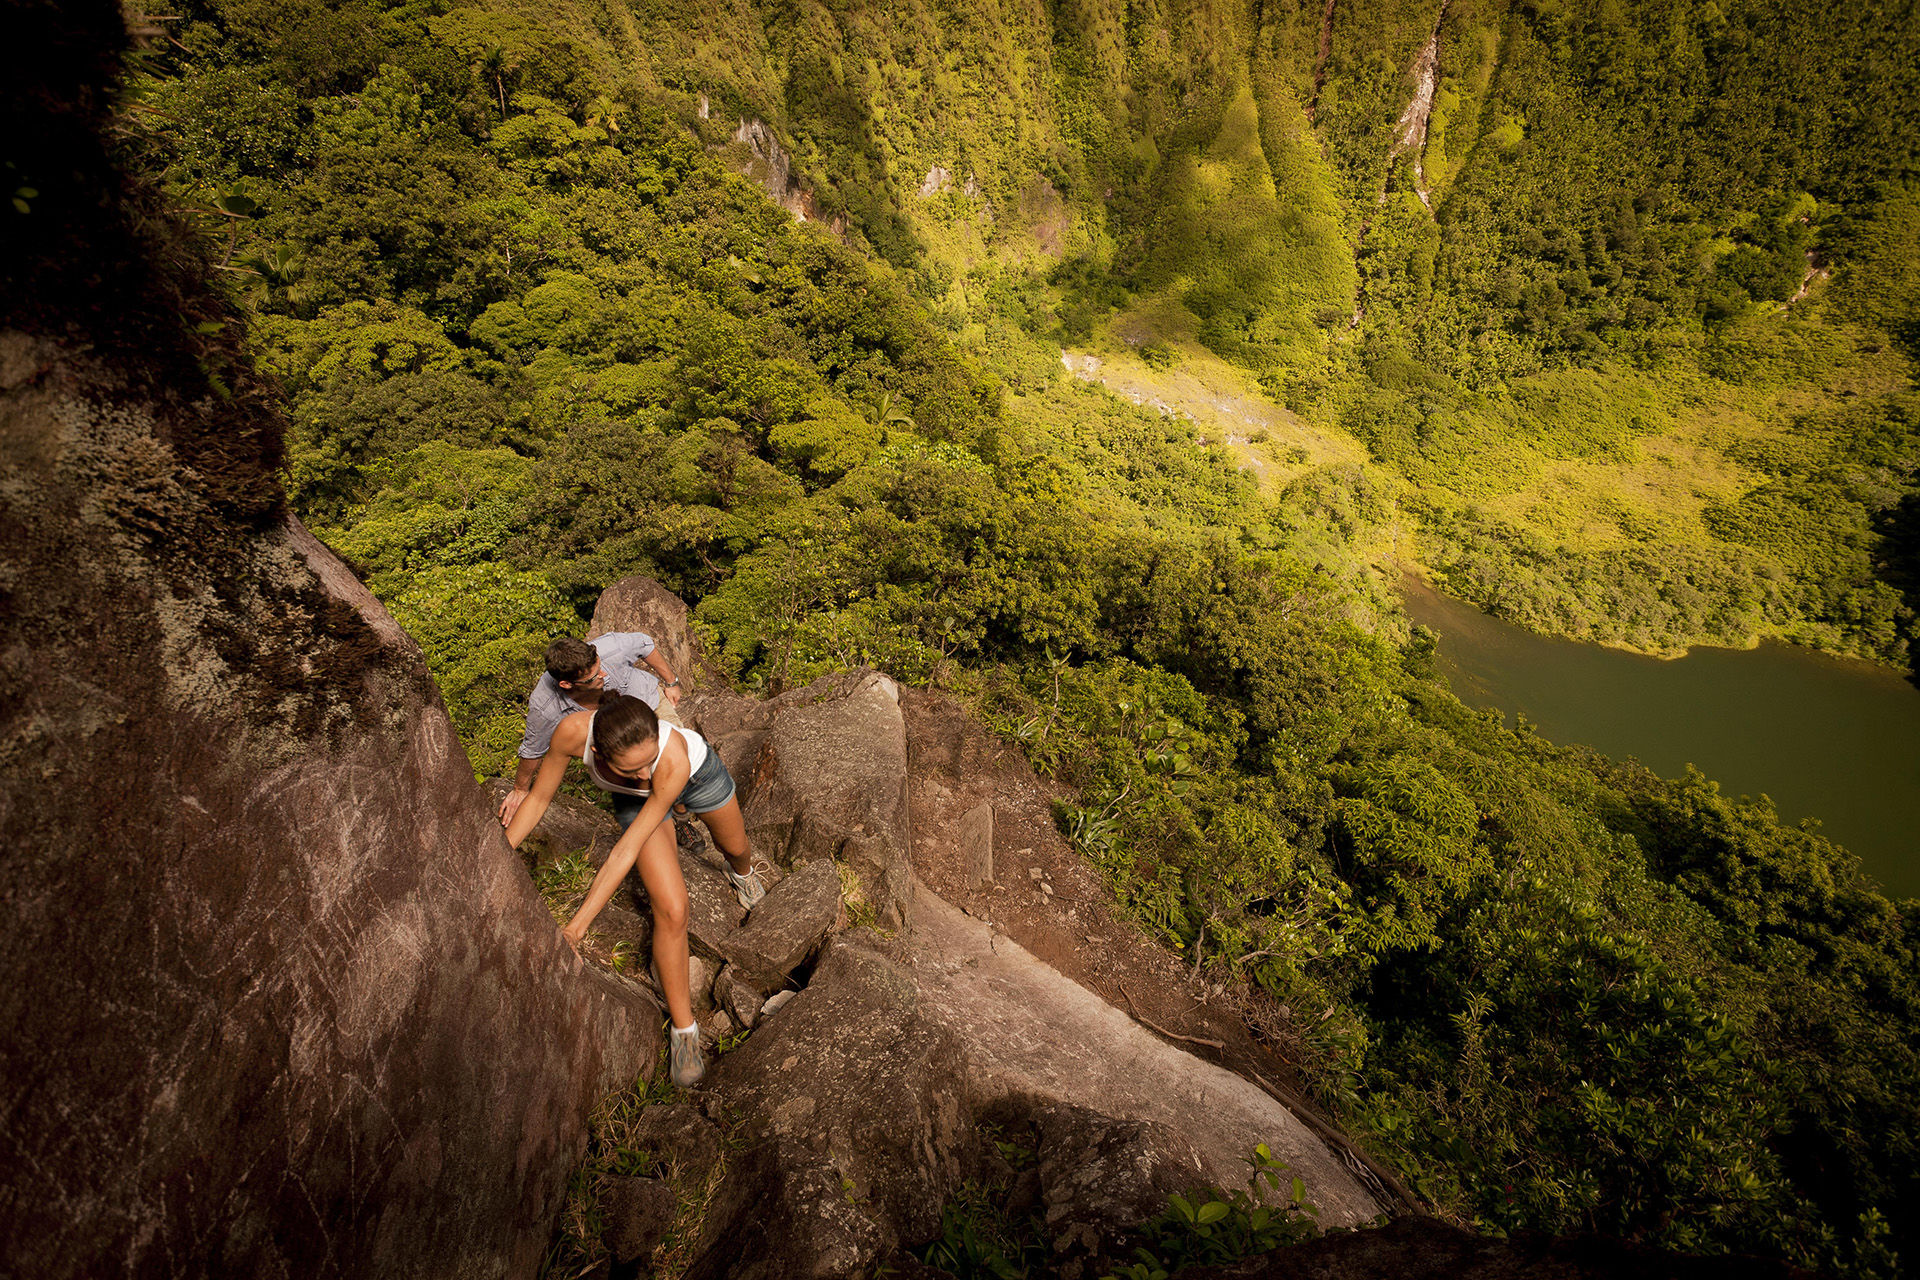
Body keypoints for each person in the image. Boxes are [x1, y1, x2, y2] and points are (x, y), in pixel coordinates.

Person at [504, 692, 764, 1088]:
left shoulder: (670, 758)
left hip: (696, 776)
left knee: (736, 847)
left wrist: (577, 927)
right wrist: (498, 854)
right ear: (597, 752)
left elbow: (625, 849)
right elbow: (539, 800)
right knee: (673, 909)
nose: (645, 772)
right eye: (633, 767)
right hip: (636, 803)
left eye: (648, 760)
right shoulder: (570, 734)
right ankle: (685, 1033)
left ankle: (742, 874)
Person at [498, 633, 683, 829]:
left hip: (648, 703)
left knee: (676, 762)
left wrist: (671, 682)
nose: (603, 674)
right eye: (594, 676)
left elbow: (646, 645)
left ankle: (680, 815)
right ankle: (663, 816)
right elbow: (532, 750)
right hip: (607, 732)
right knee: (640, 777)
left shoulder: (612, 647)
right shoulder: (545, 706)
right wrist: (520, 790)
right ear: (566, 684)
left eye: (599, 666)